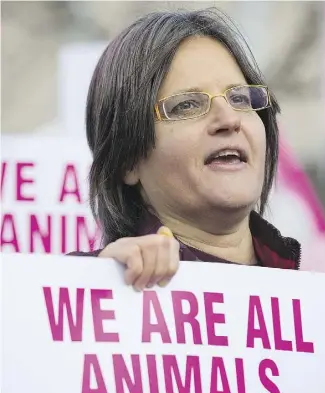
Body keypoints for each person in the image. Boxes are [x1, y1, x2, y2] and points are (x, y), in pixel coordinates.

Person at [68, 8, 301, 290]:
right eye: (187, 104)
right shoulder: (82, 300)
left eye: (240, 98)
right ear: (127, 159)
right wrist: (96, 286)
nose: (229, 119)